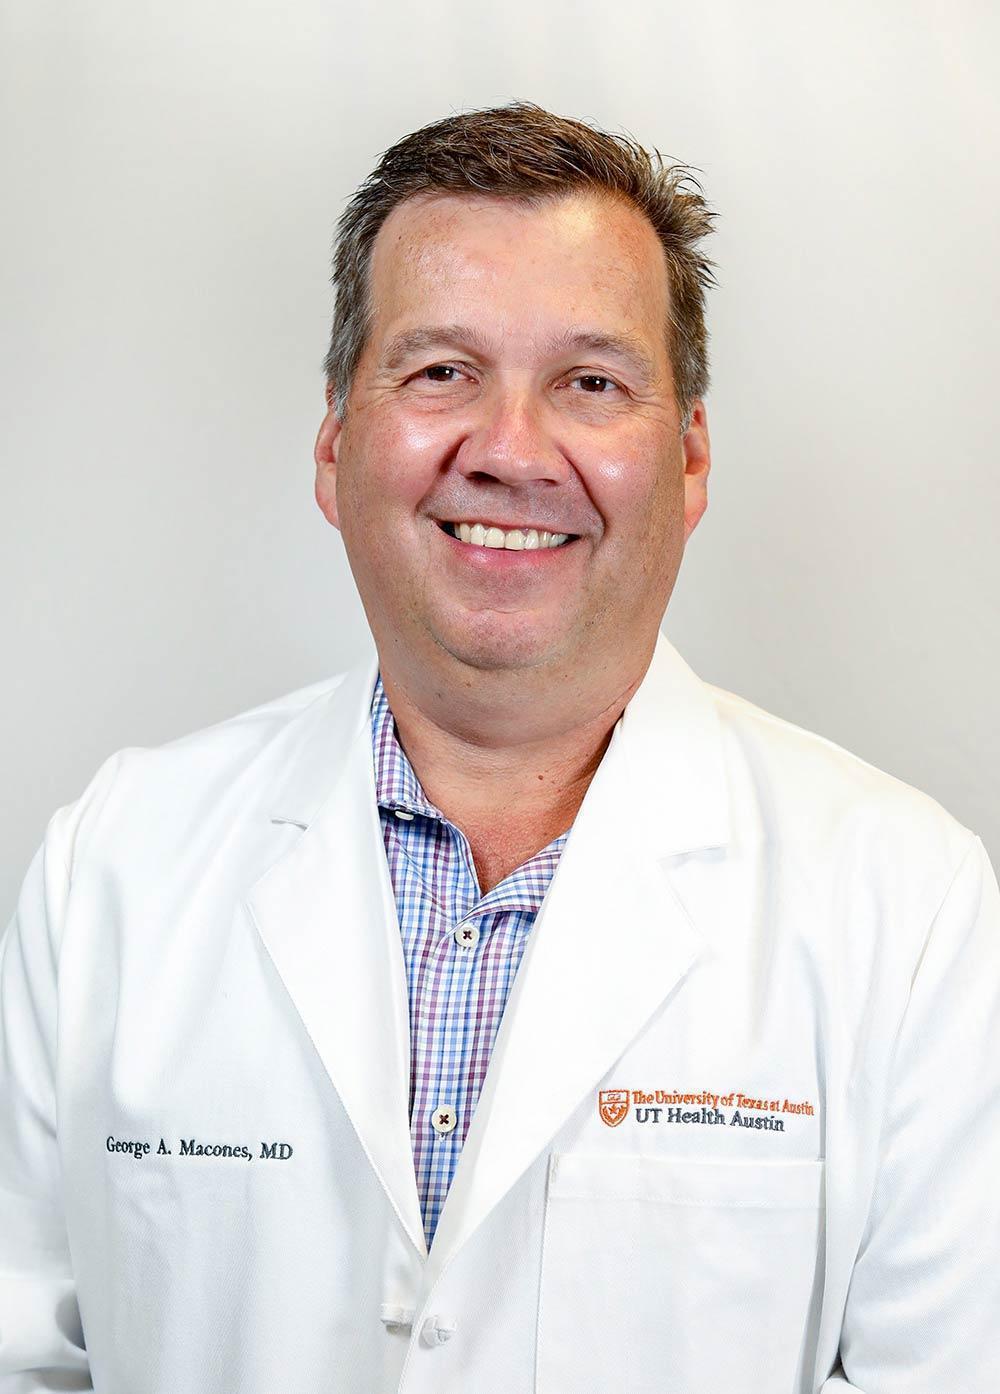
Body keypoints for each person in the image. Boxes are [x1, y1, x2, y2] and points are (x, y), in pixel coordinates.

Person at [1, 101, 997, 1394]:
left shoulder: (906, 908)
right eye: (439, 371)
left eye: (591, 381)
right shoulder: (114, 870)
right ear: (334, 441)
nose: (512, 450)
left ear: (689, 457)